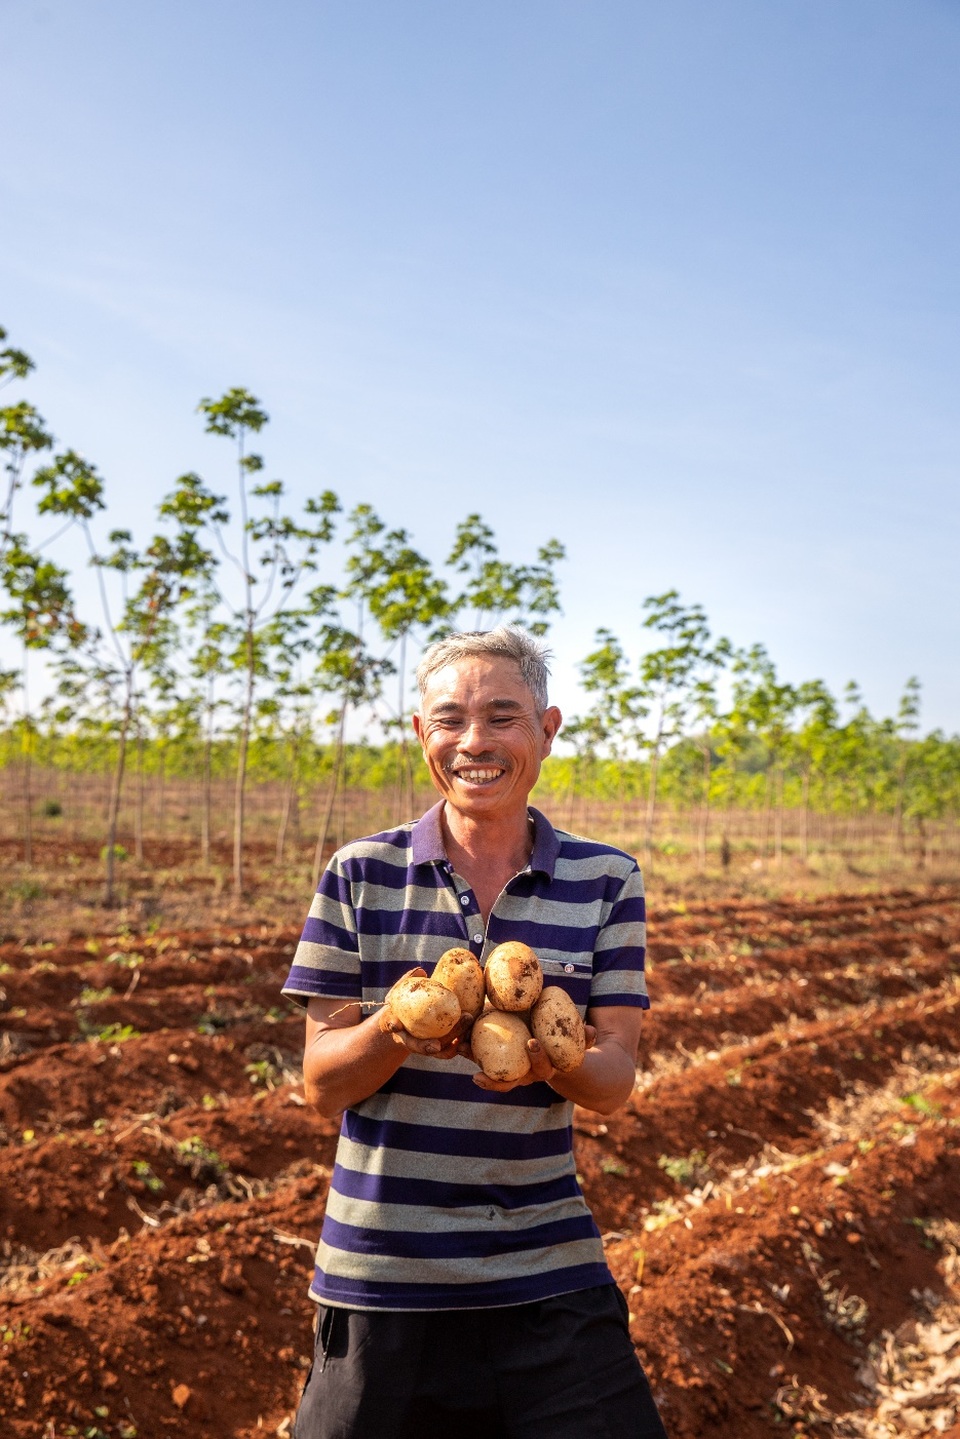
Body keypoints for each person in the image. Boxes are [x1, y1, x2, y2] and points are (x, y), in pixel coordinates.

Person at [282, 626, 669, 1439]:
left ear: (548, 729)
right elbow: (321, 1086)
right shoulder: (359, 873)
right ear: (422, 735)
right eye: (450, 719)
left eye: (502, 716)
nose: (474, 742)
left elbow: (616, 1080)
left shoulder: (608, 879)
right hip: (381, 1272)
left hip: (546, 1268)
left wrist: (544, 1061)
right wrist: (399, 1022)